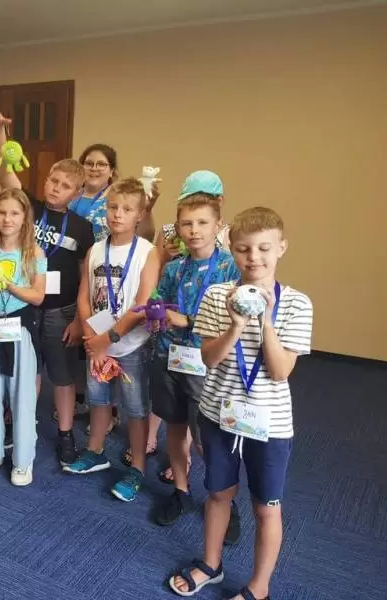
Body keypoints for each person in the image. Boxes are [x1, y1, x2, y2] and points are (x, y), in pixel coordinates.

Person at [168, 207, 313, 600]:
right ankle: (210, 565)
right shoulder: (217, 295)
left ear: (281, 248)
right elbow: (209, 359)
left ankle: (259, 587)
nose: (254, 258)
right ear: (232, 250)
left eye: (264, 248)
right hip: (218, 414)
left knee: (266, 506)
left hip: (271, 425)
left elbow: (280, 371)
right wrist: (235, 324)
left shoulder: (297, 303)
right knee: (218, 494)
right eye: (244, 249)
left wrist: (265, 320)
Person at [0, 109, 94, 466]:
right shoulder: (28, 207)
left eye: (65, 185)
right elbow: (5, 167)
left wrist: (79, 320)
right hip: (23, 306)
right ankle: (22, 425)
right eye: (52, 180)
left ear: (77, 193)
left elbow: (86, 276)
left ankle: (65, 433)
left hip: (60, 310)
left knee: (61, 375)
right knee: (24, 370)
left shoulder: (81, 227)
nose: (55, 188)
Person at [66, 179, 160, 505]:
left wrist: (109, 338)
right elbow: (84, 297)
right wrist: (92, 336)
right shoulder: (95, 249)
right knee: (98, 399)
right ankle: (95, 451)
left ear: (140, 214)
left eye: (127, 209)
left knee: (135, 408)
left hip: (132, 344)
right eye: (113, 207)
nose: (118, 214)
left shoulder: (148, 252)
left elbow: (142, 304)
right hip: (98, 339)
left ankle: (137, 467)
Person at [150, 194, 239, 527]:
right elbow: (160, 300)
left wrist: (186, 320)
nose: (194, 230)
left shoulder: (231, 268)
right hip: (170, 357)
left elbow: (235, 319)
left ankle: (225, 501)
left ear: (218, 226)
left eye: (202, 223)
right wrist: (156, 313)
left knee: (207, 438)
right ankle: (181, 490)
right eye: (186, 223)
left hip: (209, 365)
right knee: (174, 427)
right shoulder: (174, 268)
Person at [0, 189, 46, 486]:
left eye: (14, 213)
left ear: (25, 217)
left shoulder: (34, 253)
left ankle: (23, 461)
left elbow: (38, 296)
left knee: (22, 396)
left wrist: (9, 284)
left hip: (20, 329)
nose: (7, 219)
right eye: (2, 212)